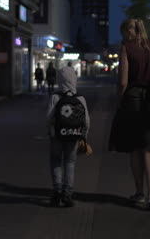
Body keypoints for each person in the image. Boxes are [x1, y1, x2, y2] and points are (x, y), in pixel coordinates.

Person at [109, 19, 150, 211]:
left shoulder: (126, 48)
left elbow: (123, 81)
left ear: (129, 31)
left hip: (134, 99)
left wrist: (119, 100)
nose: (123, 36)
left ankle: (139, 193)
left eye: (123, 32)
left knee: (136, 147)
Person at [46, 66, 90, 207]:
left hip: (57, 135)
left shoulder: (55, 97)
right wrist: (84, 136)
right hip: (74, 136)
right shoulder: (81, 98)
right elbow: (87, 121)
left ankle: (57, 190)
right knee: (70, 163)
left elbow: (49, 118)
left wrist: (50, 131)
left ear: (60, 80)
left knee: (56, 161)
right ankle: (68, 193)